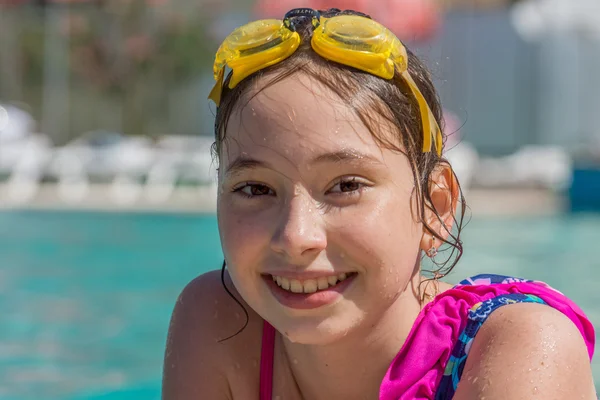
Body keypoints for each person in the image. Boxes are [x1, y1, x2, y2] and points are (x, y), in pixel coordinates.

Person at [162, 8, 596, 400]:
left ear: (434, 206)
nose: (295, 238)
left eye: (346, 185)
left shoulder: (522, 350)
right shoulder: (219, 323)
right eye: (254, 189)